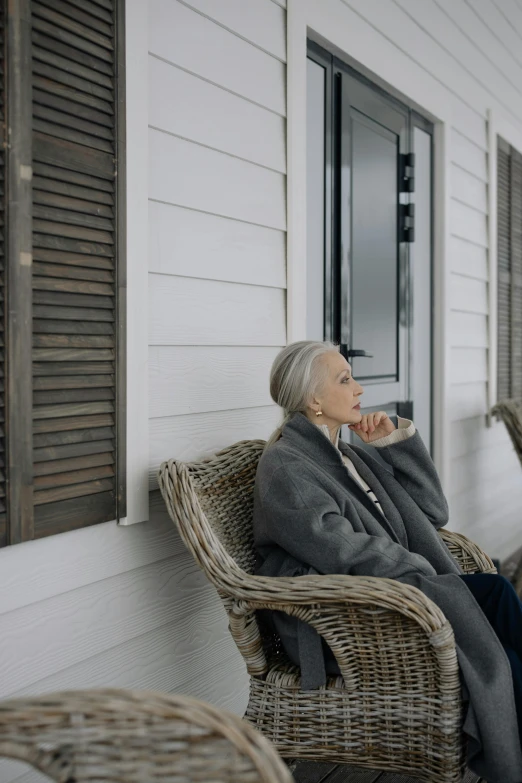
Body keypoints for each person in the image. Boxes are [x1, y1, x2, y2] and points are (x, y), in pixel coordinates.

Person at [253, 340, 522, 783]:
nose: (359, 387)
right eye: (344, 379)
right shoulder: (287, 468)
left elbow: (433, 513)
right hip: (353, 617)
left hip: (400, 586)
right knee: (500, 635)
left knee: (502, 631)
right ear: (313, 400)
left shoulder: (347, 453)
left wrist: (396, 445)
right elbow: (340, 551)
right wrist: (422, 573)